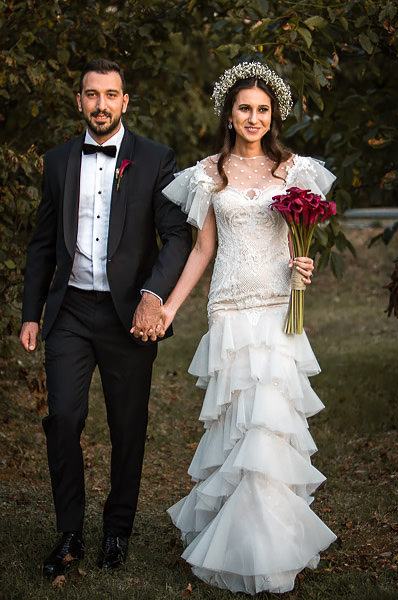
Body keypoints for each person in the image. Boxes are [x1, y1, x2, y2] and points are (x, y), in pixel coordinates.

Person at [157, 62, 337, 594]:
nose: (253, 117)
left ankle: (275, 539)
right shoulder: (210, 173)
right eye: (244, 108)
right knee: (238, 424)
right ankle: (234, 534)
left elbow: (299, 245)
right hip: (229, 307)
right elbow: (202, 251)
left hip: (279, 304)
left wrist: (304, 266)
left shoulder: (294, 171)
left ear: (273, 114)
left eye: (262, 109)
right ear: (229, 114)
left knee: (270, 423)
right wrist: (169, 306)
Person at [19, 58, 192, 577]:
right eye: (91, 95)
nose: (101, 104)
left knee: (128, 426)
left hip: (128, 314)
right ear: (79, 101)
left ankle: (116, 532)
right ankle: (69, 531)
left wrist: (153, 295)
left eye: (110, 95)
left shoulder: (157, 159)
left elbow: (177, 236)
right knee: (64, 419)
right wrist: (32, 313)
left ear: (124, 102)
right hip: (69, 311)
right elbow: (42, 244)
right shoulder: (56, 161)